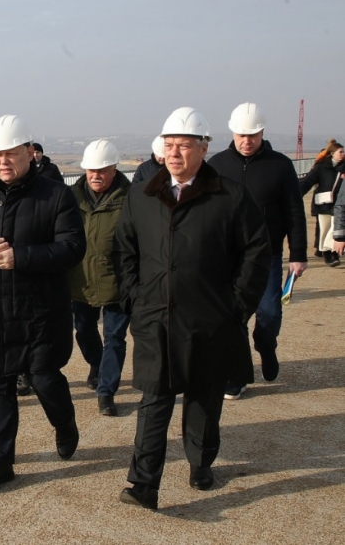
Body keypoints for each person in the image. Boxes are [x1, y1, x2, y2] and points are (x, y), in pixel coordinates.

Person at [116, 107, 269, 511]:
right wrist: (135, 300)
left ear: (204, 148)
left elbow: (256, 253)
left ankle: (201, 463)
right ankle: (143, 484)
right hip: (155, 318)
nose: (174, 153)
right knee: (153, 403)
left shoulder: (231, 196)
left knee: (204, 399)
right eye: (169, 145)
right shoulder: (141, 195)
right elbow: (124, 251)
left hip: (210, 319)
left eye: (183, 145)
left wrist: (236, 307)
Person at [0, 115, 86, 493]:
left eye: (11, 154)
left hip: (41, 311)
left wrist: (21, 257)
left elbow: (73, 247)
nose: (3, 161)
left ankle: (65, 424)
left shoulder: (56, 195)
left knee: (44, 378)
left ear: (29, 152)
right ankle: (0, 462)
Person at [208, 102, 308, 401]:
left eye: (252, 135)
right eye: (241, 135)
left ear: (262, 132)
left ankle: (266, 346)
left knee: (269, 312)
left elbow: (294, 211)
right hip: (227, 256)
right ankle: (235, 376)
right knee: (232, 316)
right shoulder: (217, 165)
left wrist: (298, 254)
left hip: (268, 255)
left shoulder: (280, 165)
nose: (246, 141)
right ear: (232, 133)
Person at [68, 139, 131, 417]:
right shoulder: (71, 198)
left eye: (102, 170)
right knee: (84, 330)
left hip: (118, 282)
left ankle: (106, 391)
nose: (96, 175)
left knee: (114, 337)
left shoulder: (131, 199)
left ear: (114, 169)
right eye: (92, 170)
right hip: (80, 281)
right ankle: (97, 363)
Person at [299, 139, 345, 267]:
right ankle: (325, 252)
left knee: (335, 228)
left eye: (343, 152)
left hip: (340, 203)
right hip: (324, 203)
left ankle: (332, 254)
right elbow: (308, 181)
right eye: (340, 152)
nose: (343, 154)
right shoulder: (321, 167)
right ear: (332, 153)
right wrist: (297, 194)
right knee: (324, 229)